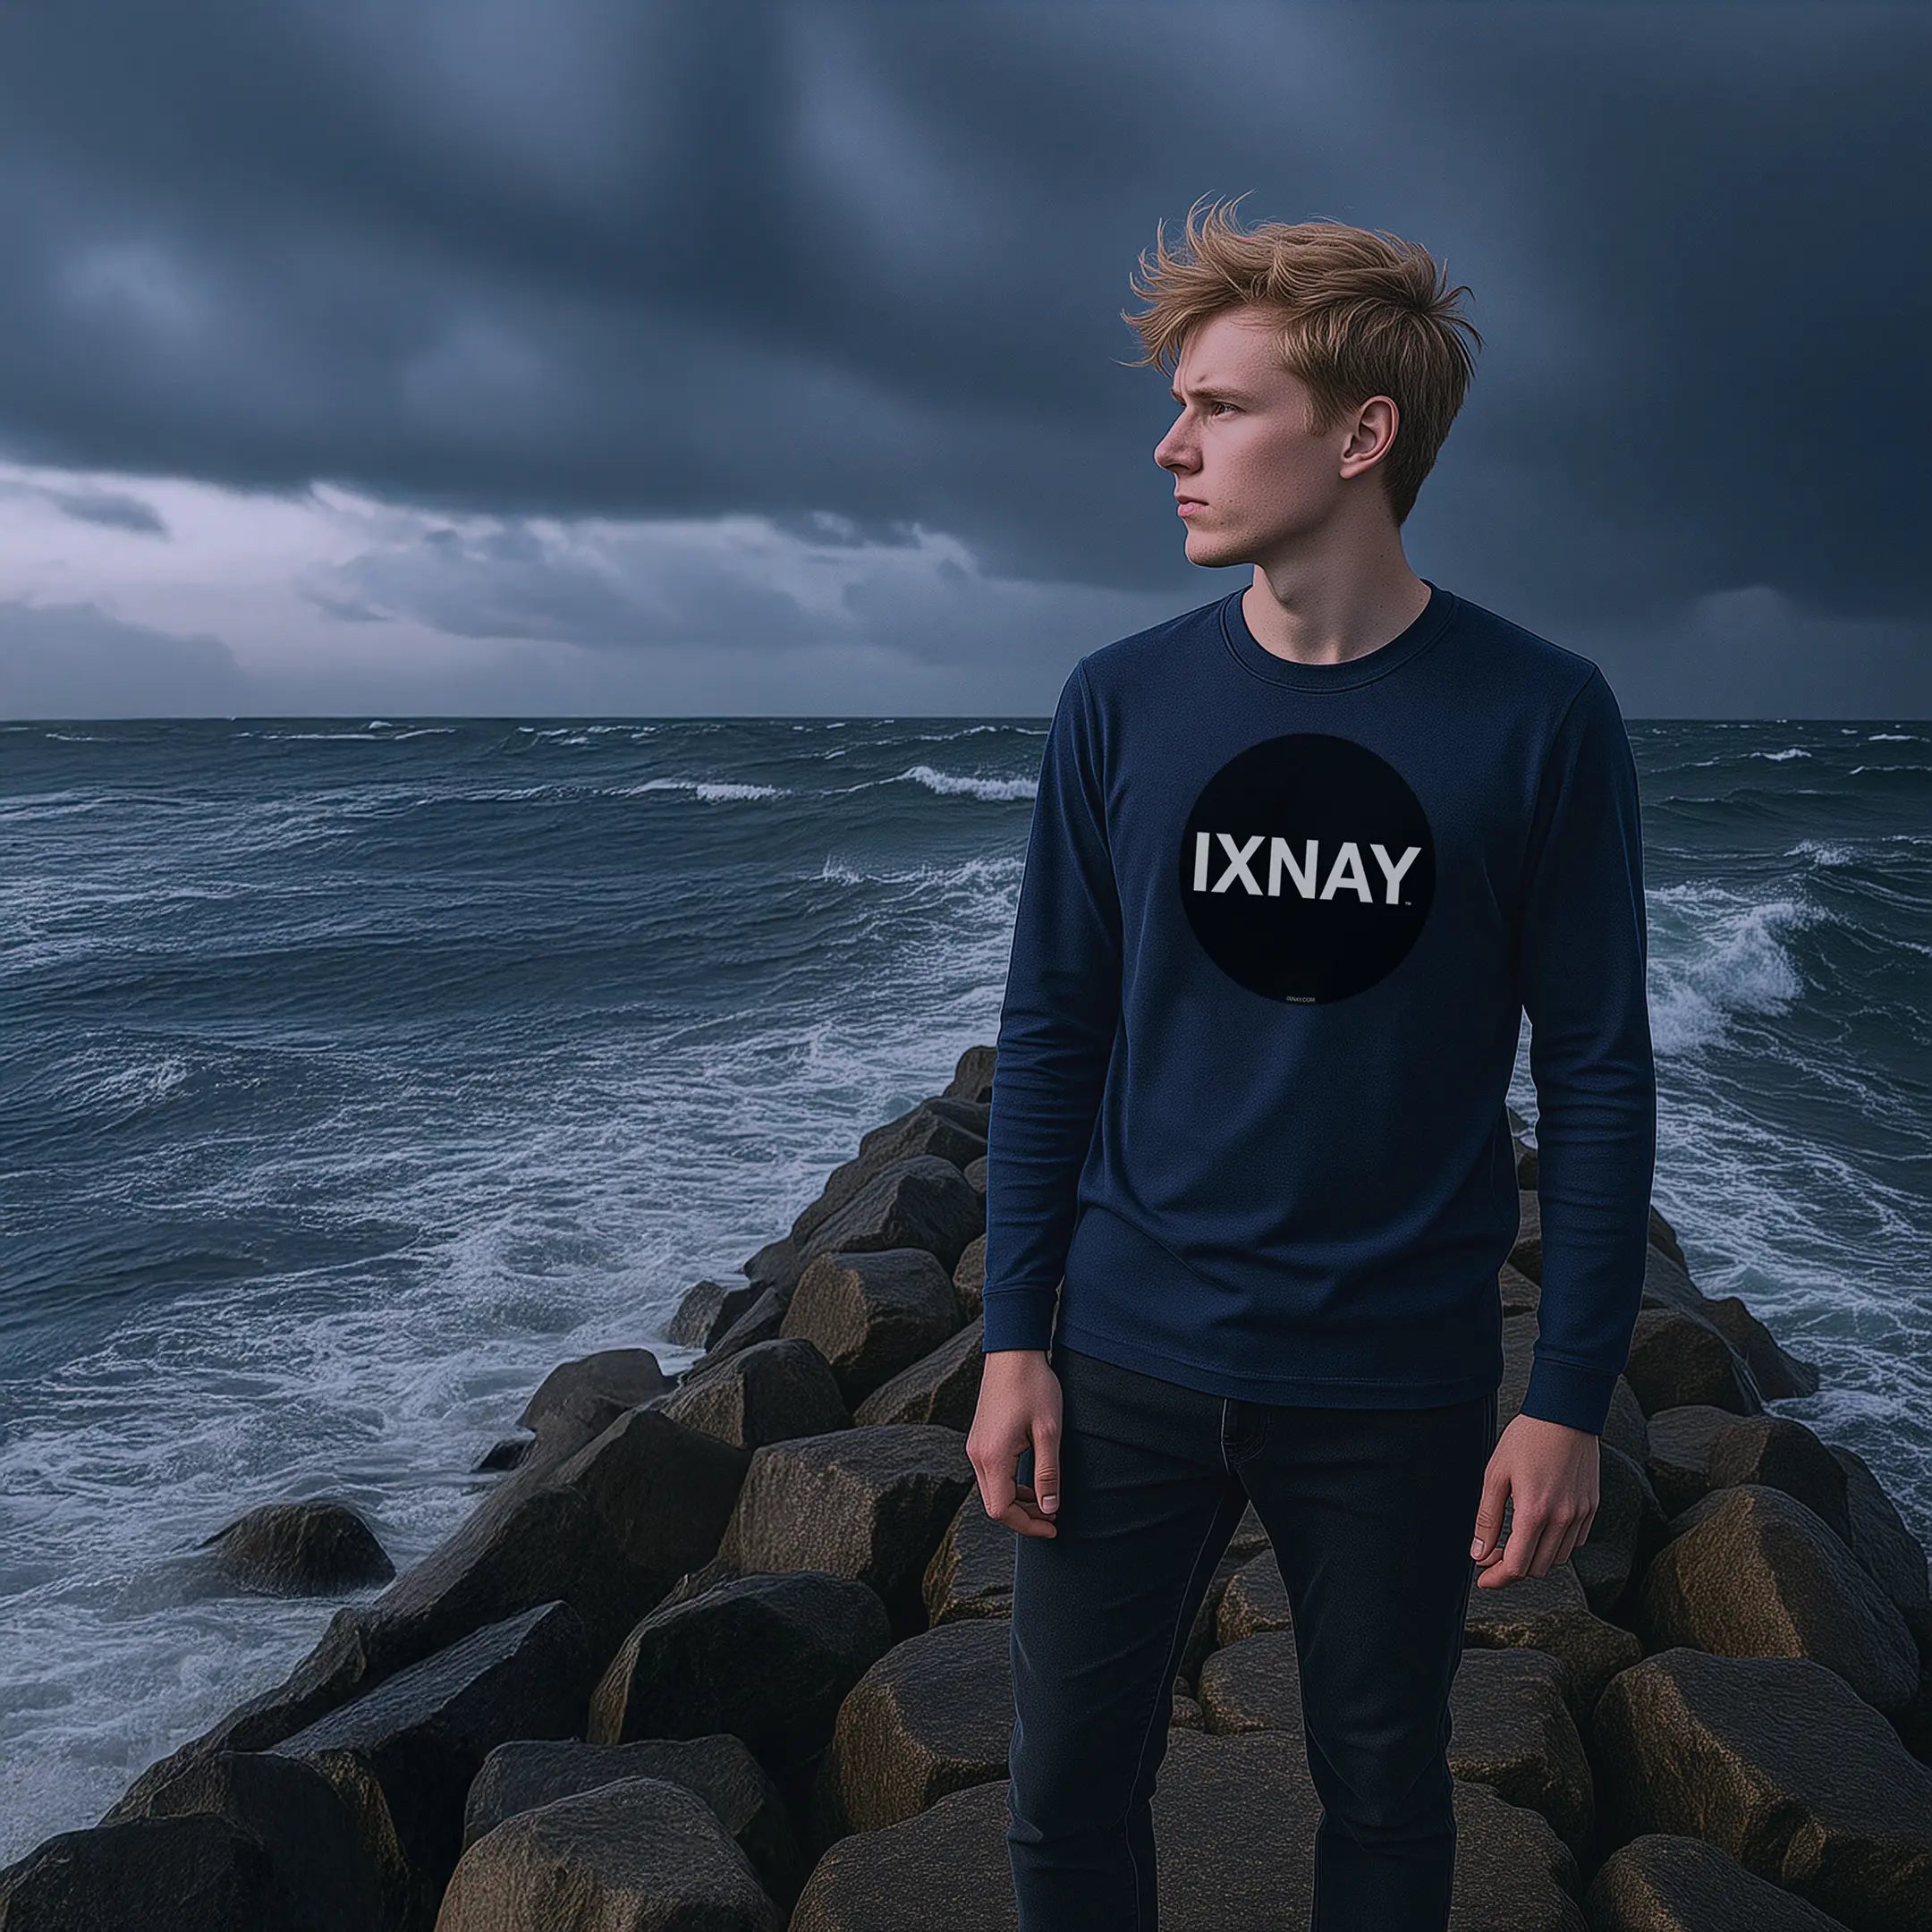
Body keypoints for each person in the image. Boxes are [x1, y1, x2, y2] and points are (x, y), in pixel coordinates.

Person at [966, 196, 1657, 1932]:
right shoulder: (1120, 702)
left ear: (1364, 436)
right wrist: (1010, 1341)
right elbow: (1054, 1026)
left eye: (1220, 407)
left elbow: (1593, 1068)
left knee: (1382, 1793)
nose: (1169, 446)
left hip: (1394, 1370)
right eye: (1181, 405)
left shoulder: (1538, 712)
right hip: (1123, 1349)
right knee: (1062, 1796)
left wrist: (1568, 1392)